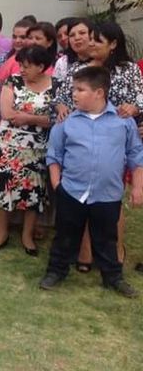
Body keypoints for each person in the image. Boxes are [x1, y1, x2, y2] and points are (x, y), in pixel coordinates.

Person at [39, 67, 143, 298]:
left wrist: (138, 187)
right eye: (74, 88)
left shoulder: (123, 122)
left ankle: (113, 277)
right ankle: (56, 270)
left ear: (99, 92)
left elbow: (136, 155)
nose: (74, 94)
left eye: (80, 89)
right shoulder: (66, 122)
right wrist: (58, 185)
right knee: (65, 234)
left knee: (107, 238)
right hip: (72, 191)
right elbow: (54, 155)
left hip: (107, 194)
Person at [55, 21, 143, 270]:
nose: (90, 43)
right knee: (83, 197)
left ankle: (116, 249)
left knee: (111, 197)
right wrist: (61, 106)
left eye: (97, 40)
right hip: (83, 137)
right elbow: (61, 98)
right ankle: (85, 253)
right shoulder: (79, 67)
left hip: (115, 140)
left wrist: (134, 108)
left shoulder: (128, 69)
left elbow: (139, 98)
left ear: (113, 44)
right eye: (90, 38)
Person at [0, 46, 56, 255]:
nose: (22, 70)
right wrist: (39, 119)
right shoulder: (13, 81)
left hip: (37, 148)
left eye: (27, 66)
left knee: (33, 192)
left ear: (41, 67)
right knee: (2, 187)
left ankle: (27, 236)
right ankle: (2, 232)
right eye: (21, 65)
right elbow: (7, 112)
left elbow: (55, 120)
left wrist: (28, 118)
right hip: (8, 145)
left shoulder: (56, 86)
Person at [0, 19, 32, 84]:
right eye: (14, 37)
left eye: (22, 37)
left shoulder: (39, 60)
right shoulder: (2, 59)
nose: (17, 41)